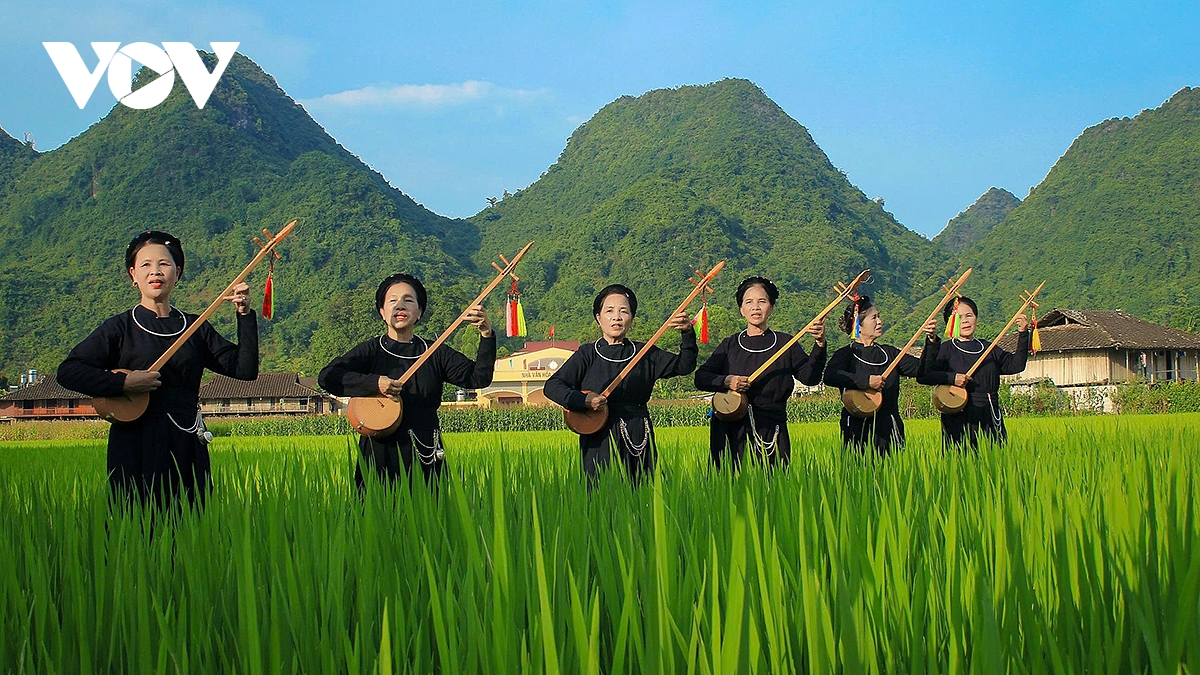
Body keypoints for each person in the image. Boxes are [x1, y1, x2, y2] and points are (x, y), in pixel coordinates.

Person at [58, 230, 258, 507]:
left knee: (191, 516)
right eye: (146, 265)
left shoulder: (196, 327)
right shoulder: (119, 328)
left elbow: (244, 369)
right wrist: (124, 384)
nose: (155, 272)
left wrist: (244, 315)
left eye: (164, 264)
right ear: (133, 275)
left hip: (186, 439)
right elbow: (69, 371)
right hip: (135, 441)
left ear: (178, 273)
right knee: (136, 517)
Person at [318, 274, 494, 489]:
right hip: (379, 454)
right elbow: (328, 377)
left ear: (419, 312)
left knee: (428, 507)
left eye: (408, 300)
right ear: (382, 312)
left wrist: (486, 335)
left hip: (425, 451)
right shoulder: (371, 350)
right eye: (392, 300)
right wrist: (375, 383)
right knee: (378, 507)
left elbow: (478, 377)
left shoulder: (435, 352)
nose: (400, 305)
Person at [543, 284, 697, 485]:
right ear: (598, 318)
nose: (616, 317)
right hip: (598, 433)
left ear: (632, 318)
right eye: (609, 311)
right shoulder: (587, 354)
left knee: (641, 489)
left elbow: (684, 366)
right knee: (599, 492)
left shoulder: (645, 352)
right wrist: (584, 400)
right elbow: (552, 386)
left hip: (638, 432)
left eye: (623, 311)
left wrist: (687, 334)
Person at [694, 276, 826, 469]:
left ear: (771, 307)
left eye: (762, 301)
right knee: (728, 482)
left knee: (773, 481)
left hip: (771, 427)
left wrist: (820, 344)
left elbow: (810, 378)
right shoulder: (730, 344)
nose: (755, 307)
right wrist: (727, 381)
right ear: (741, 309)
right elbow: (701, 378)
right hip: (730, 428)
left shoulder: (786, 343)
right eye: (749, 302)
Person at [823, 295, 938, 456]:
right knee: (859, 467)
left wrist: (931, 341)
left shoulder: (889, 353)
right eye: (874, 318)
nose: (879, 321)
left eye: (879, 316)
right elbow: (830, 376)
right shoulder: (845, 354)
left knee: (892, 468)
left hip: (889, 425)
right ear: (858, 325)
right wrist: (866, 381)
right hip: (856, 426)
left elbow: (922, 370)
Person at [917, 296, 1030, 450]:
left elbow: (1016, 365)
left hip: (989, 413)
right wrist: (952, 378)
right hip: (959, 413)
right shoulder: (946, 349)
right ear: (950, 322)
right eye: (959, 317)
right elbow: (924, 376)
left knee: (995, 458)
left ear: (976, 318)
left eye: (969, 315)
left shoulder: (988, 348)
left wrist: (1023, 334)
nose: (965, 321)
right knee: (961, 458)